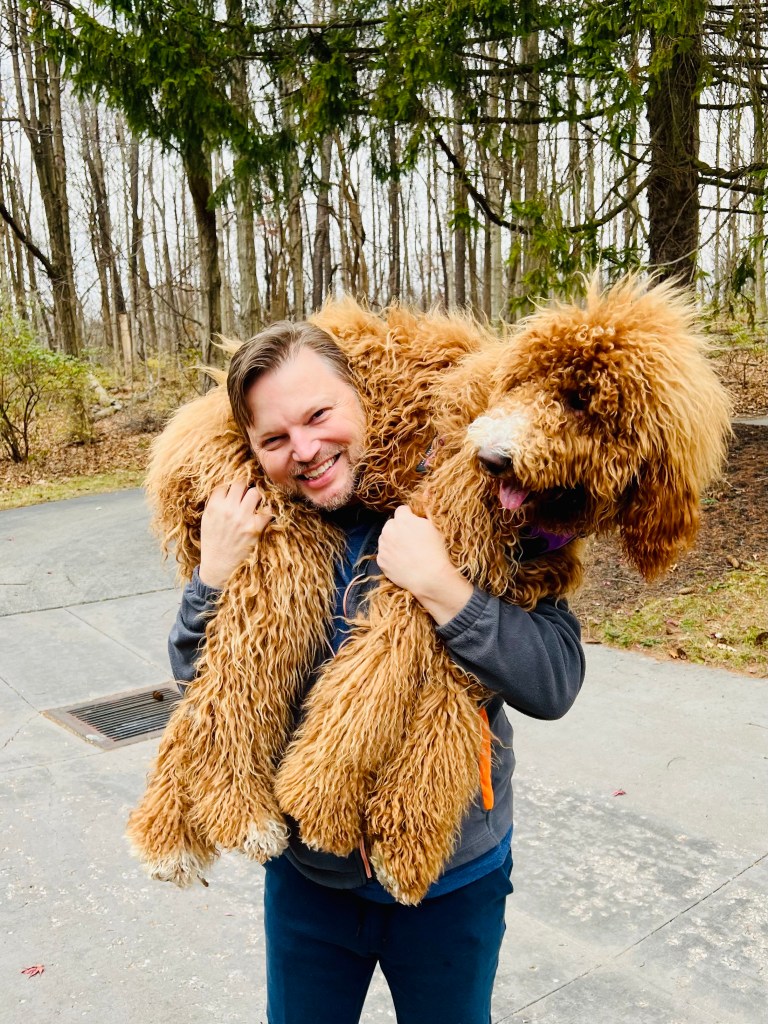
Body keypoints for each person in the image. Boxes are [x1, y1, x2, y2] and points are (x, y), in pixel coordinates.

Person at [168, 320, 585, 1024]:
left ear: (365, 399)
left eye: (319, 416)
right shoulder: (260, 532)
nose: (304, 450)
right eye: (274, 439)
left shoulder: (467, 507)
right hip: (307, 881)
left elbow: (554, 682)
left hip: (452, 882)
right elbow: (201, 689)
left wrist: (445, 590)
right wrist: (211, 577)